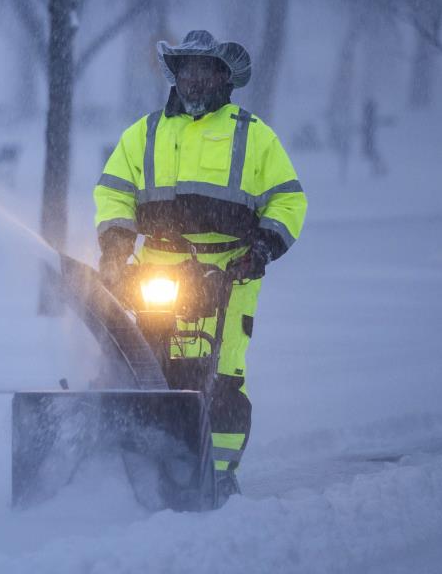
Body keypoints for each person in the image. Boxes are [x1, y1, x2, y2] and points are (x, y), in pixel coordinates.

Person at [93, 29, 307, 499]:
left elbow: (288, 201)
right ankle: (136, 459)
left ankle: (220, 472)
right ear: (176, 75)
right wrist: (114, 244)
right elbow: (113, 191)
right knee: (141, 366)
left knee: (222, 372)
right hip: (157, 268)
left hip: (230, 270)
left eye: (203, 70)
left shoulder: (253, 136)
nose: (193, 80)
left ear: (221, 78)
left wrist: (263, 248)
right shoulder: (145, 133)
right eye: (185, 69)